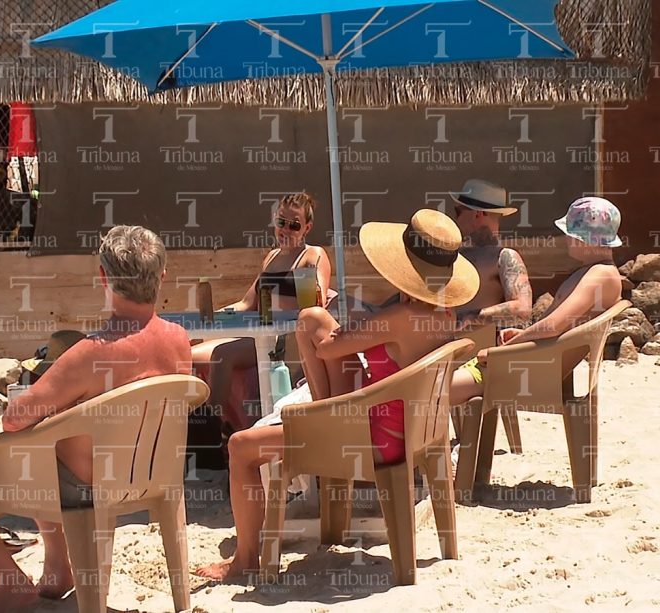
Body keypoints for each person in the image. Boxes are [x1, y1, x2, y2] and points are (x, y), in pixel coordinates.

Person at [0, 226, 193, 613]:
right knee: (53, 436)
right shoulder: (178, 340)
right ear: (162, 276)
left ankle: (10, 582)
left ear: (104, 278)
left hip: (79, 488)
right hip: (151, 478)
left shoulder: (90, 353)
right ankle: (59, 569)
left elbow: (13, 419)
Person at [195, 209, 480, 581]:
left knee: (240, 447)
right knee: (313, 319)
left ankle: (246, 559)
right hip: (414, 431)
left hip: (370, 440)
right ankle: (321, 410)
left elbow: (330, 348)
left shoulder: (398, 317)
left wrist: (324, 323)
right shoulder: (444, 314)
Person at [451, 196, 624, 407]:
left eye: (569, 234)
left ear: (582, 238)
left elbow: (553, 326)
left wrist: (504, 350)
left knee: (430, 391)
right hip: (532, 363)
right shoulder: (598, 272)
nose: (566, 240)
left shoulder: (600, 275)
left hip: (525, 371)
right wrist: (521, 336)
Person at [190, 192, 331, 448]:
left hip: (285, 340)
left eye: (294, 225)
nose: (286, 229)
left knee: (222, 354)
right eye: (281, 222)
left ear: (307, 228)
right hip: (258, 332)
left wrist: (305, 283)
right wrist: (212, 319)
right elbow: (247, 303)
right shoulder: (272, 258)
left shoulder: (312, 256)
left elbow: (317, 302)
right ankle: (194, 427)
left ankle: (210, 438)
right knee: (190, 352)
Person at [451, 178, 532, 329]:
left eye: (458, 211)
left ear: (477, 214)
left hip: (480, 347)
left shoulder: (504, 257)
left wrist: (469, 317)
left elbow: (522, 309)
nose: (456, 218)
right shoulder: (456, 254)